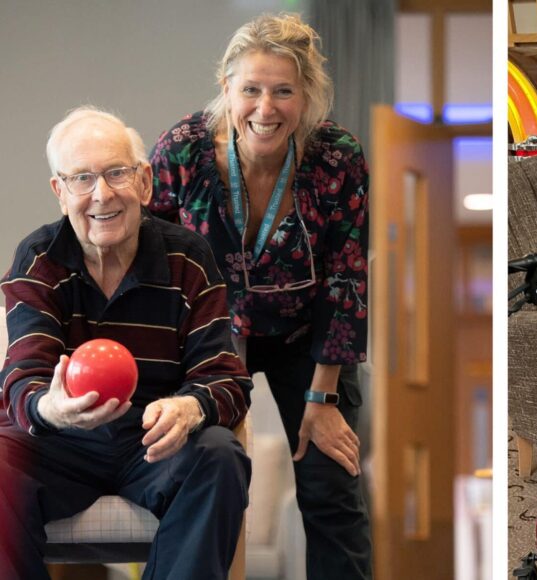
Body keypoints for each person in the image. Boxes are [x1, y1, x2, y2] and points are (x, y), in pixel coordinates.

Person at [148, 13, 371, 579]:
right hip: (210, 341)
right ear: (227, 87)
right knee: (211, 479)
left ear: (308, 96)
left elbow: (346, 279)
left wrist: (322, 403)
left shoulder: (336, 158)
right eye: (251, 89)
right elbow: (152, 262)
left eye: (283, 91)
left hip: (305, 337)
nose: (265, 109)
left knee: (332, 488)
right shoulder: (181, 152)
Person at [0, 107, 252, 579]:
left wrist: (189, 409)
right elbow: (21, 377)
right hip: (61, 441)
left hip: (155, 442)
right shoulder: (38, 260)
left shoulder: (189, 259)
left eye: (117, 173)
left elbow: (225, 377)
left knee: (220, 453)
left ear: (144, 183)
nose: (102, 194)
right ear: (60, 192)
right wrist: (49, 408)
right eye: (82, 178)